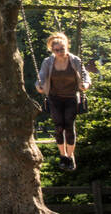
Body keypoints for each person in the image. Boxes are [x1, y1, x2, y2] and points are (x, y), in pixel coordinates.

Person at [36, 31, 90, 169]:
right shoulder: (48, 62)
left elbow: (85, 75)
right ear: (52, 50)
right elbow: (41, 76)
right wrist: (39, 86)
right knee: (59, 127)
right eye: (56, 50)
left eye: (62, 49)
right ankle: (63, 155)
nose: (59, 52)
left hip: (71, 97)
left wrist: (85, 84)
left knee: (69, 126)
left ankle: (71, 156)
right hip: (54, 98)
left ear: (67, 47)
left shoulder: (75, 60)